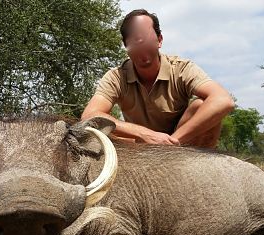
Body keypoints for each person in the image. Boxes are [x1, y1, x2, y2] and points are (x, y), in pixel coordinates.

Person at [81, 9, 234, 148]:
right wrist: (146, 135)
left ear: (159, 40)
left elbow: (223, 100)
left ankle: (198, 170)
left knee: (201, 106)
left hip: (180, 145)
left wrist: (171, 142)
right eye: (134, 40)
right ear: (126, 46)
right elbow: (89, 115)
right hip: (139, 145)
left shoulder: (182, 68)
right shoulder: (115, 77)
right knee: (98, 133)